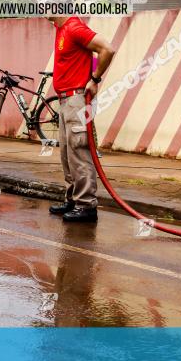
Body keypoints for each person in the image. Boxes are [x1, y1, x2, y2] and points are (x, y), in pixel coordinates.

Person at [46, 16, 115, 223]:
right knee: (67, 153)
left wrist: (94, 80)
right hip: (66, 100)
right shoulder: (61, 29)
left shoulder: (75, 27)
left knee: (79, 151)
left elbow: (107, 50)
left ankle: (86, 205)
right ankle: (73, 199)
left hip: (77, 99)